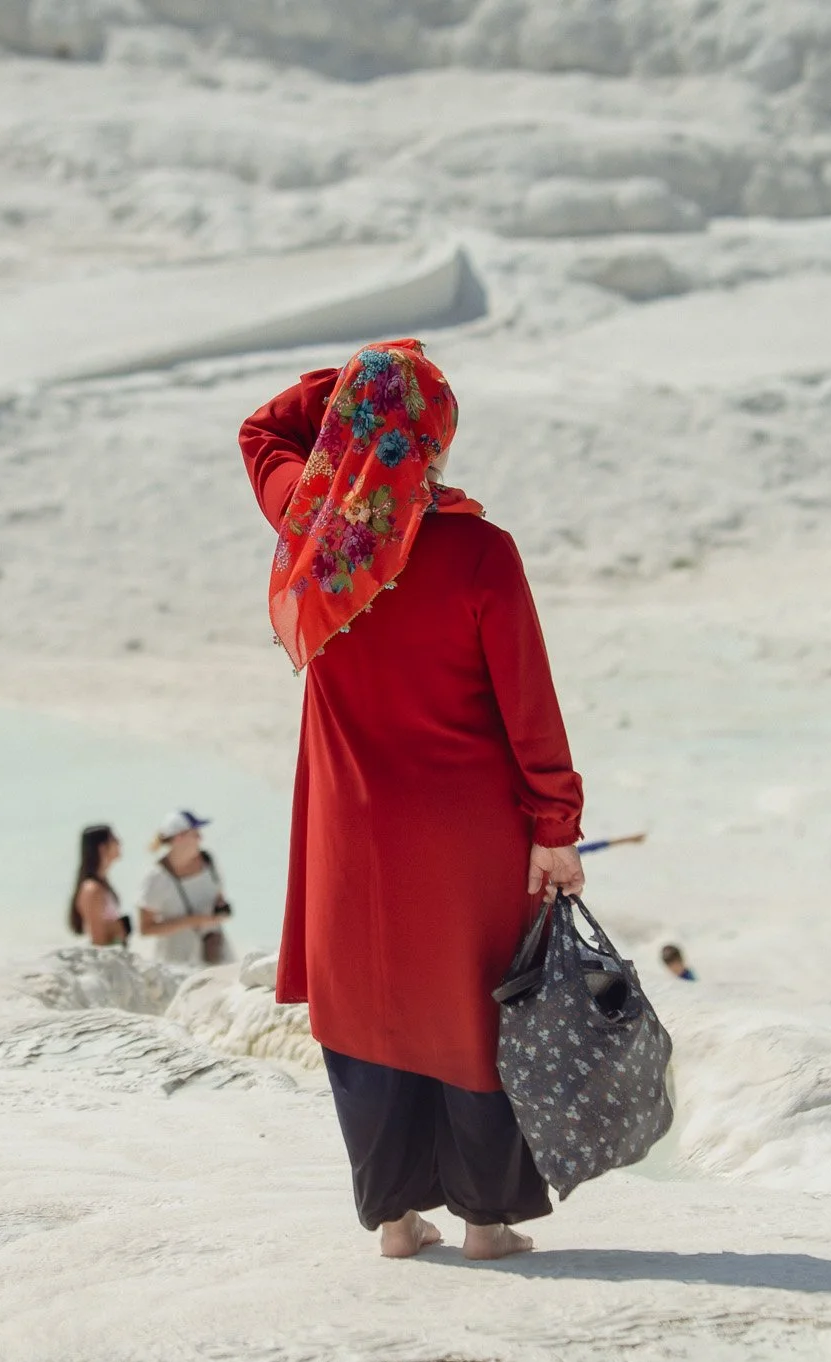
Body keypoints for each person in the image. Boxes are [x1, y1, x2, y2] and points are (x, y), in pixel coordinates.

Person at [241, 339, 583, 1262]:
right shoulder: (478, 551)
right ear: (435, 437)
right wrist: (556, 826)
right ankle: (485, 1222)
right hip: (466, 836)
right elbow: (531, 710)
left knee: (369, 1005)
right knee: (471, 1011)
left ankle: (395, 1220)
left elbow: (263, 429)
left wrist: (352, 388)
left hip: (349, 833)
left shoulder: (316, 539)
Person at [136, 810, 230, 966]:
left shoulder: (208, 862)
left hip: (215, 955)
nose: (201, 838)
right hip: (176, 965)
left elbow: (218, 896)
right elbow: (146, 928)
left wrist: (220, 908)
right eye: (195, 833)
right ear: (179, 837)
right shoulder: (156, 878)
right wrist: (194, 921)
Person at [67, 825, 129, 948]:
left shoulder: (103, 885)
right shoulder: (92, 890)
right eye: (114, 840)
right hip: (105, 961)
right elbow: (98, 942)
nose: (120, 843)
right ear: (102, 848)